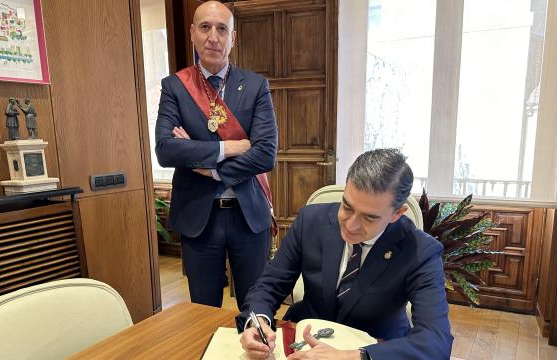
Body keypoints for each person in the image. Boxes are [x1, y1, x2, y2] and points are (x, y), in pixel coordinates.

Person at [238, 149, 453, 360]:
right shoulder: (311, 221)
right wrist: (257, 323)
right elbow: (269, 285)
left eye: (369, 218)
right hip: (302, 341)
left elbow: (436, 340)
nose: (351, 225)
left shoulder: (421, 251)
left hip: (374, 346)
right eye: (347, 207)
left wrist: (353, 357)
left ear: (397, 214)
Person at [155, 1, 278, 310]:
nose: (214, 37)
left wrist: (211, 169)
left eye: (222, 29)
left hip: (248, 214)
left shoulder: (255, 86)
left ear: (233, 38)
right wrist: (228, 147)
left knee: (256, 308)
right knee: (202, 311)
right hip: (199, 217)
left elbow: (265, 155)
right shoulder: (175, 87)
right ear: (193, 33)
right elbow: (166, 150)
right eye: (206, 27)